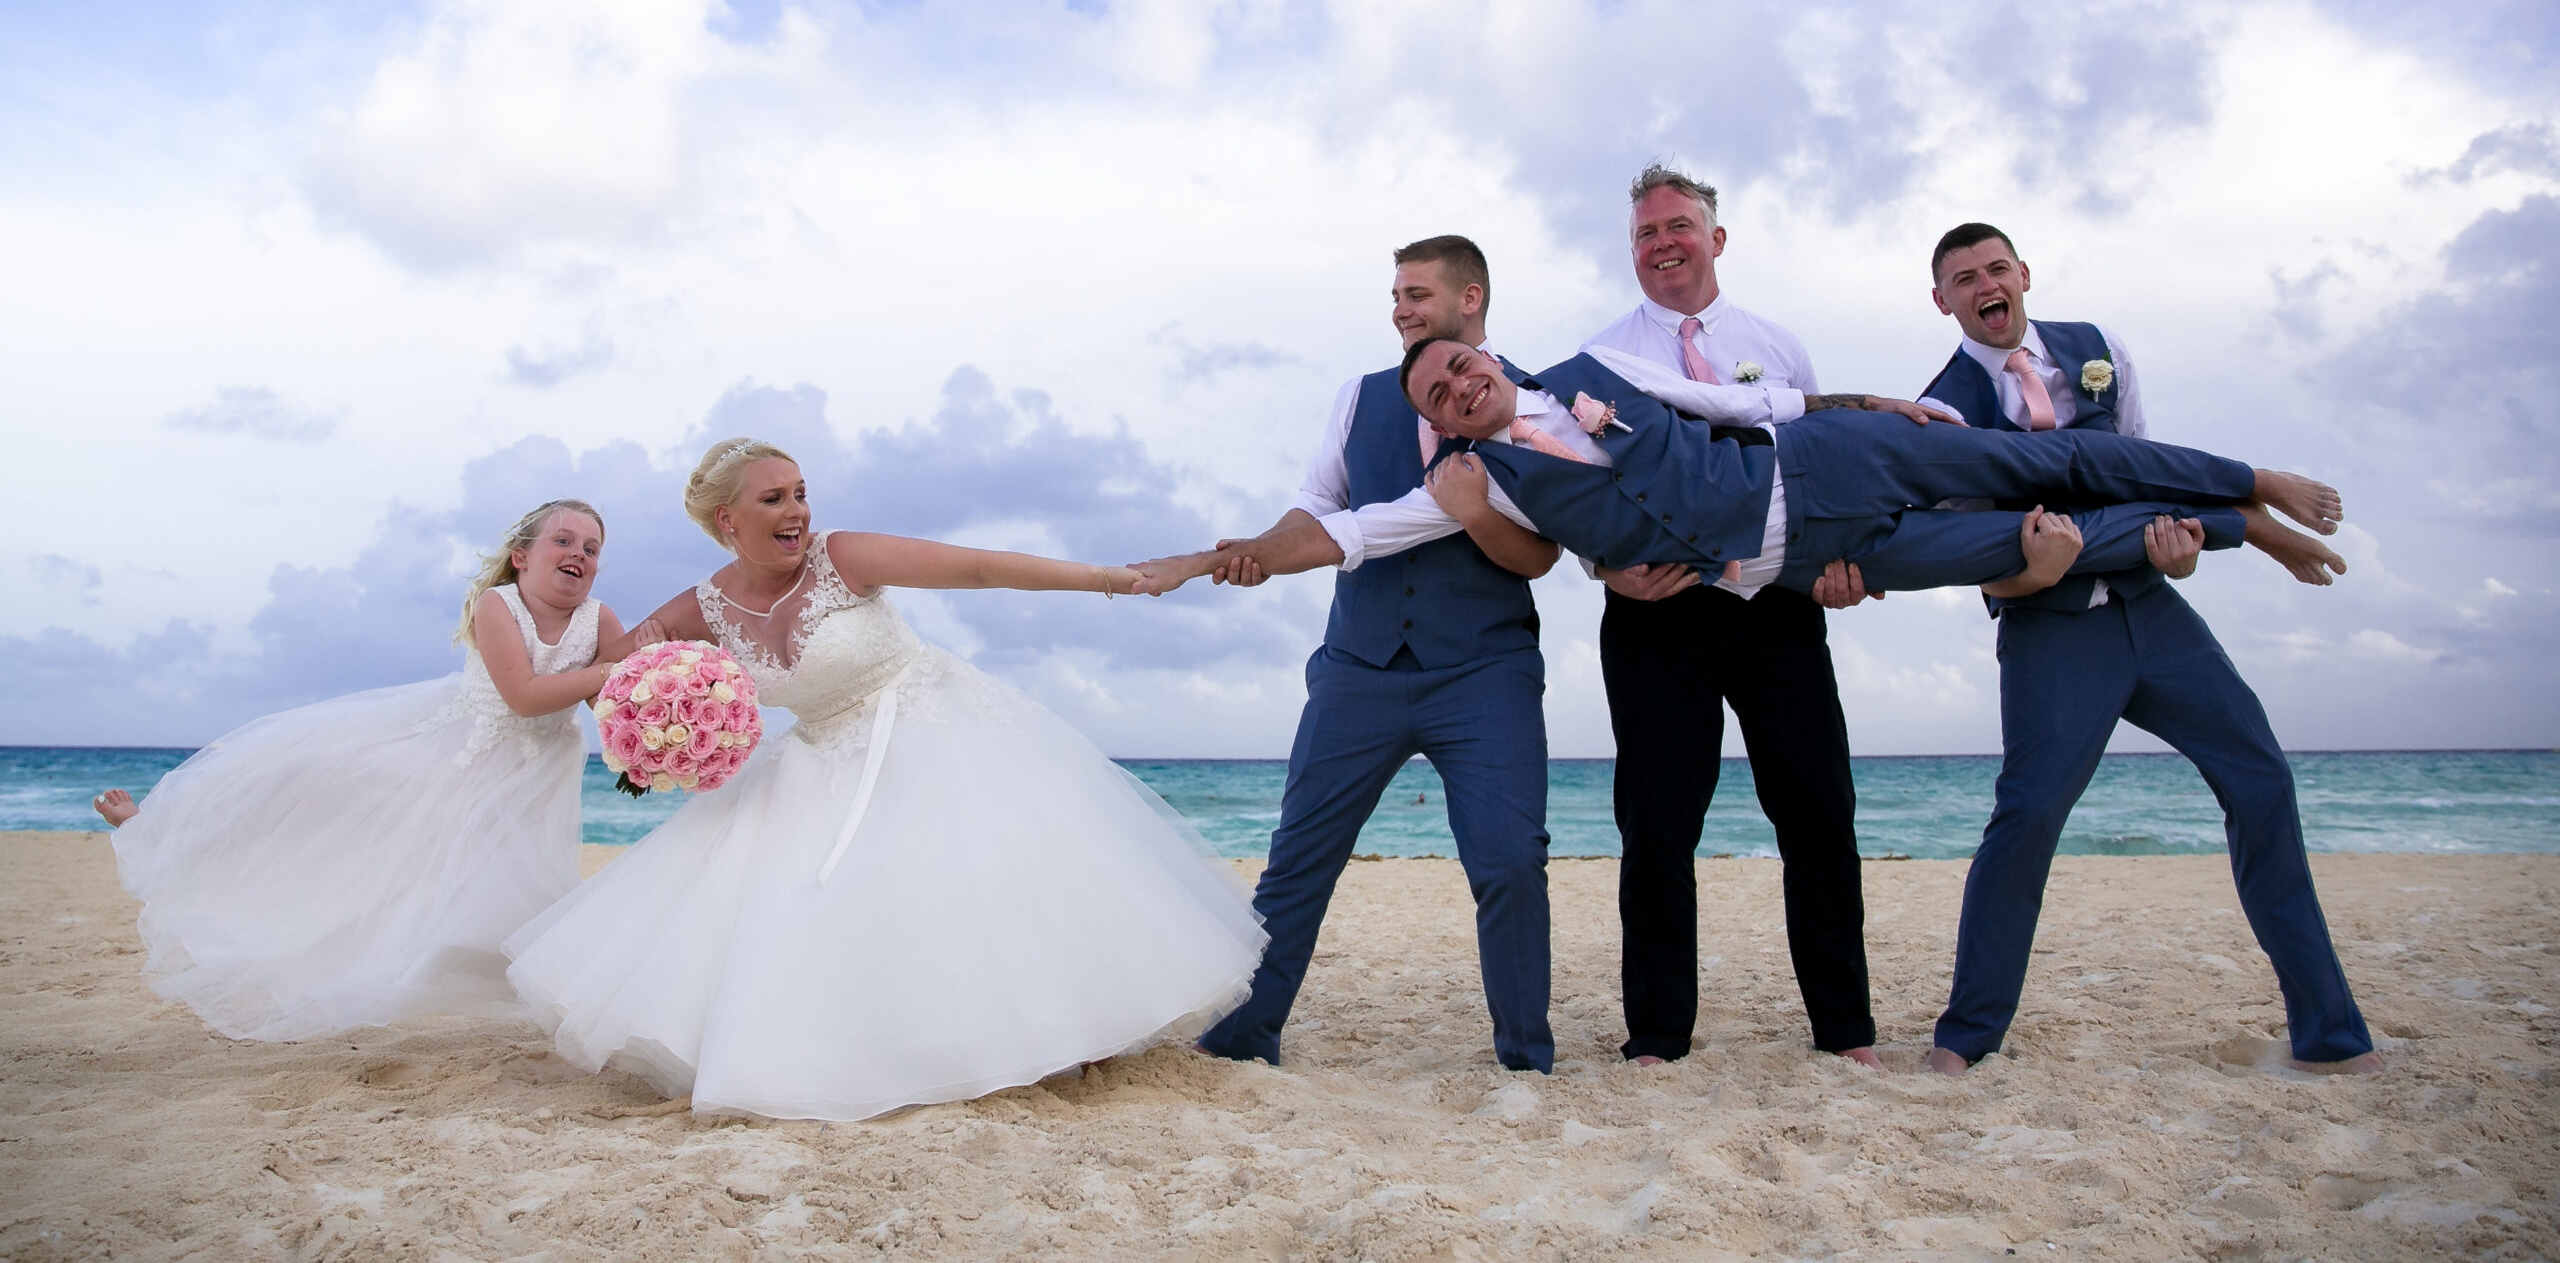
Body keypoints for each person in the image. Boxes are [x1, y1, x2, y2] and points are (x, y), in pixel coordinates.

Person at [501, 438, 1266, 1122]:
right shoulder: (702, 606)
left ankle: (1057, 1034)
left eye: (801, 491)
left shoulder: (843, 557)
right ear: (727, 519)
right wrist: (637, 707)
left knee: (989, 883)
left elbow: (978, 566)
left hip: (933, 724)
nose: (797, 510)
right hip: (819, 753)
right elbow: (623, 678)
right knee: (801, 908)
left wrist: (1112, 578)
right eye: (775, 498)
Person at [1817, 222, 2378, 1074]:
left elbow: (2144, 472)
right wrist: (2035, 576)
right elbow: (1981, 569)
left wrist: (2183, 551)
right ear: (1942, 302)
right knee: (2030, 812)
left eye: (1996, 267)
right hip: (2052, 630)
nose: (1984, 285)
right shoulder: (1938, 414)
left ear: (2024, 273)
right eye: (1963, 278)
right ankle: (1965, 1038)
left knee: (2262, 780)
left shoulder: (2098, 349)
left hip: (2152, 611)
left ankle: (2330, 1036)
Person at [1135, 340, 2347, 607]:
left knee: (2059, 454)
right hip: (1807, 559)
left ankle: (2256, 475)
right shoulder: (1481, 487)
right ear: (1443, 428)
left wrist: (1853, 400)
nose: (1455, 385)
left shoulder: (1584, 367)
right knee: (2036, 539)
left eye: (1458, 364)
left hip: (1833, 453)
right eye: (1435, 399)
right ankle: (2234, 521)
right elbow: (1348, 535)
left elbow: (1739, 399)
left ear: (1489, 351)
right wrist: (1214, 556)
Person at [1186, 236, 1565, 1074]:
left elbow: (1540, 556)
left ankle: (1524, 1057)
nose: (1400, 308)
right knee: (1298, 857)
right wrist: (1255, 550)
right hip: (1358, 663)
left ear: (1471, 299)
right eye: (1395, 294)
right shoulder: (1359, 399)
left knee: (1508, 859)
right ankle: (1245, 1034)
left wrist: (1469, 510)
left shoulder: (1529, 401)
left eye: (1417, 293)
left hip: (1483, 668)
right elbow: (1315, 507)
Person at [95, 500, 648, 1040]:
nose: (579, 553)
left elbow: (617, 699)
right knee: (321, 808)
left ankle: (559, 998)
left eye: (592, 548)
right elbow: (525, 697)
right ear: (522, 556)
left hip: (535, 775)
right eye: (563, 540)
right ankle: (156, 831)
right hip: (459, 753)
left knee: (509, 890)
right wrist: (612, 669)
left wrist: (663, 726)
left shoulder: (599, 620)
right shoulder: (496, 604)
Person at [1578, 163, 1881, 1068]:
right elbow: (1575, 492)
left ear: (1717, 237)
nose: (1662, 243)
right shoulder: (1602, 359)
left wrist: (1839, 566)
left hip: (1777, 607)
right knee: (1659, 826)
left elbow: (1820, 467)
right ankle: (1659, 1035)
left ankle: (1846, 1030)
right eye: (1644, 232)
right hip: (1656, 615)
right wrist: (1606, 569)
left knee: (1819, 813)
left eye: (1677, 225)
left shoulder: (1777, 346)